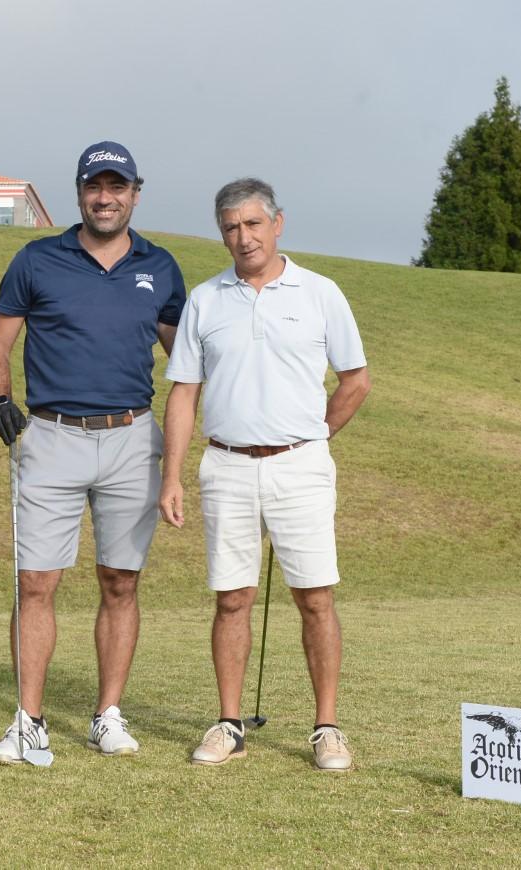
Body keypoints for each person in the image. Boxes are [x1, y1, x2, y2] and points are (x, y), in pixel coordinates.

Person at [0, 141, 185, 763]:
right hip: (51, 436)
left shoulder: (161, 266)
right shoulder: (37, 259)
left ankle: (108, 714)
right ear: (79, 192)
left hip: (131, 436)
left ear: (134, 194)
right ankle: (29, 720)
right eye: (95, 186)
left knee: (121, 581)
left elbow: (189, 358)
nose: (105, 197)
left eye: (117, 187)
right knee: (35, 582)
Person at [159, 177, 371, 771]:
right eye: (231, 227)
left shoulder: (321, 293)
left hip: (300, 465)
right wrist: (171, 475)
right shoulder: (205, 299)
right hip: (225, 464)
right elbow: (183, 394)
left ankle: (327, 728)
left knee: (316, 598)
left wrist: (316, 436)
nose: (243, 237)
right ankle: (228, 723)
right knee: (232, 599)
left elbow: (355, 380)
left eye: (253, 224)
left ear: (278, 223)